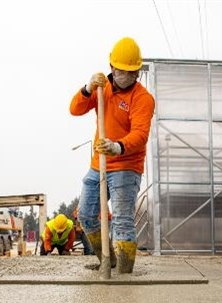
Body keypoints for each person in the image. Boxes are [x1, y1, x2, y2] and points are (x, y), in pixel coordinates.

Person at [69, 37, 155, 273]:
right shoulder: (102, 89)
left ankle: (125, 272)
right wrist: (87, 89)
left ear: (137, 72)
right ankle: (107, 260)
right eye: (120, 70)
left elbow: (140, 135)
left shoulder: (142, 98)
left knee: (122, 220)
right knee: (86, 215)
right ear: (111, 66)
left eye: (131, 71)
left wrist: (117, 146)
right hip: (98, 165)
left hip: (126, 166)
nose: (125, 75)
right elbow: (75, 109)